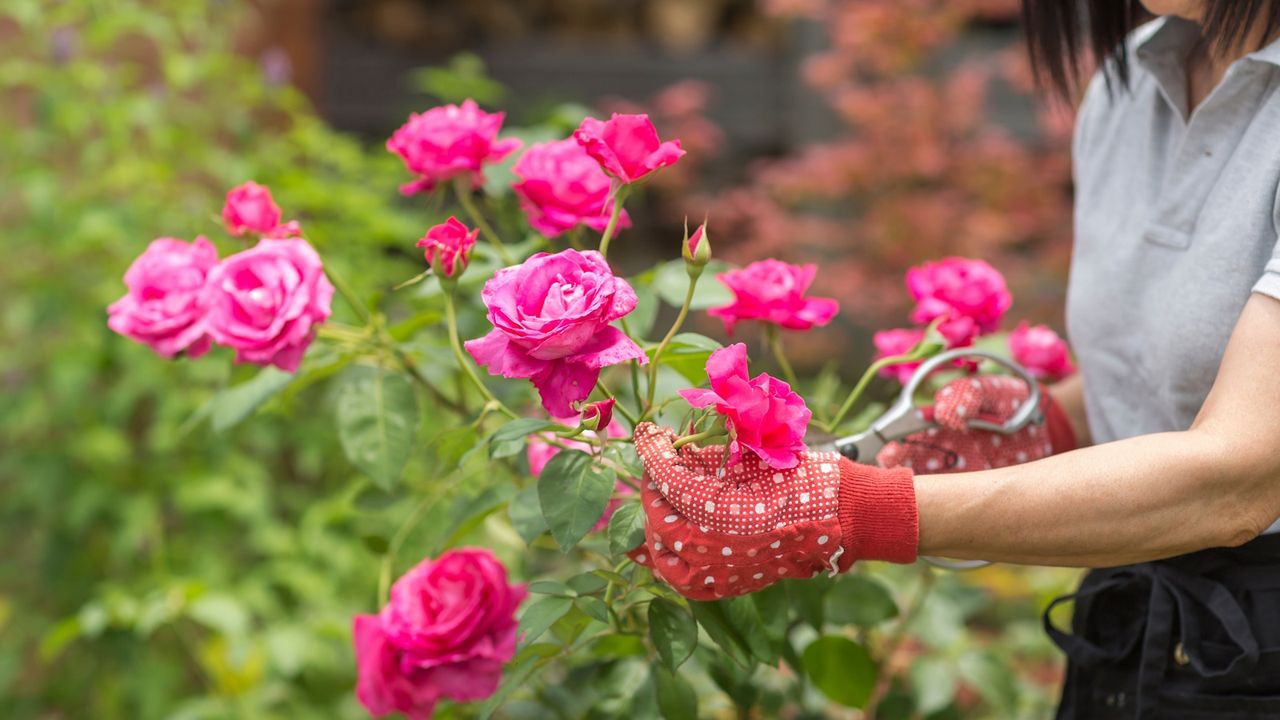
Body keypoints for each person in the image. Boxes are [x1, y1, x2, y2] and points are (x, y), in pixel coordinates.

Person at [629, 1, 1280, 717]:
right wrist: (1040, 426)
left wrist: (848, 510)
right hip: (1136, 634)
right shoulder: (1130, 86)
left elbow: (1240, 479)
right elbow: (1164, 382)